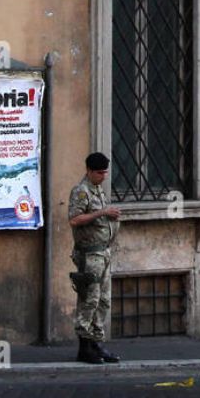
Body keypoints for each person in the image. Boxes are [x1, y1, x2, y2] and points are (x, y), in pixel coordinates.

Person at [68, 152, 120, 364]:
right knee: (90, 299)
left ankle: (97, 343)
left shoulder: (98, 190)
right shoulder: (81, 192)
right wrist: (101, 214)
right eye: (99, 172)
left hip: (103, 252)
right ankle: (84, 346)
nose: (103, 176)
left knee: (104, 300)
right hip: (90, 254)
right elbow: (74, 219)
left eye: (105, 172)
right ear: (89, 171)